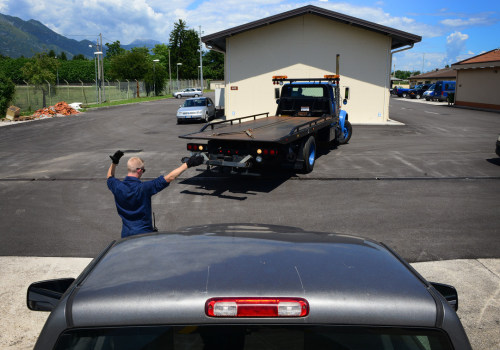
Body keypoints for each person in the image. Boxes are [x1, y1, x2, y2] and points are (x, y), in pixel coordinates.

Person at [107, 150, 204, 238]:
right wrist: (187, 164)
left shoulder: (117, 186)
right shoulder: (144, 188)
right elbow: (169, 177)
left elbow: (109, 177)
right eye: (143, 170)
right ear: (139, 170)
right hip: (144, 234)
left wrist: (114, 163)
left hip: (126, 235)